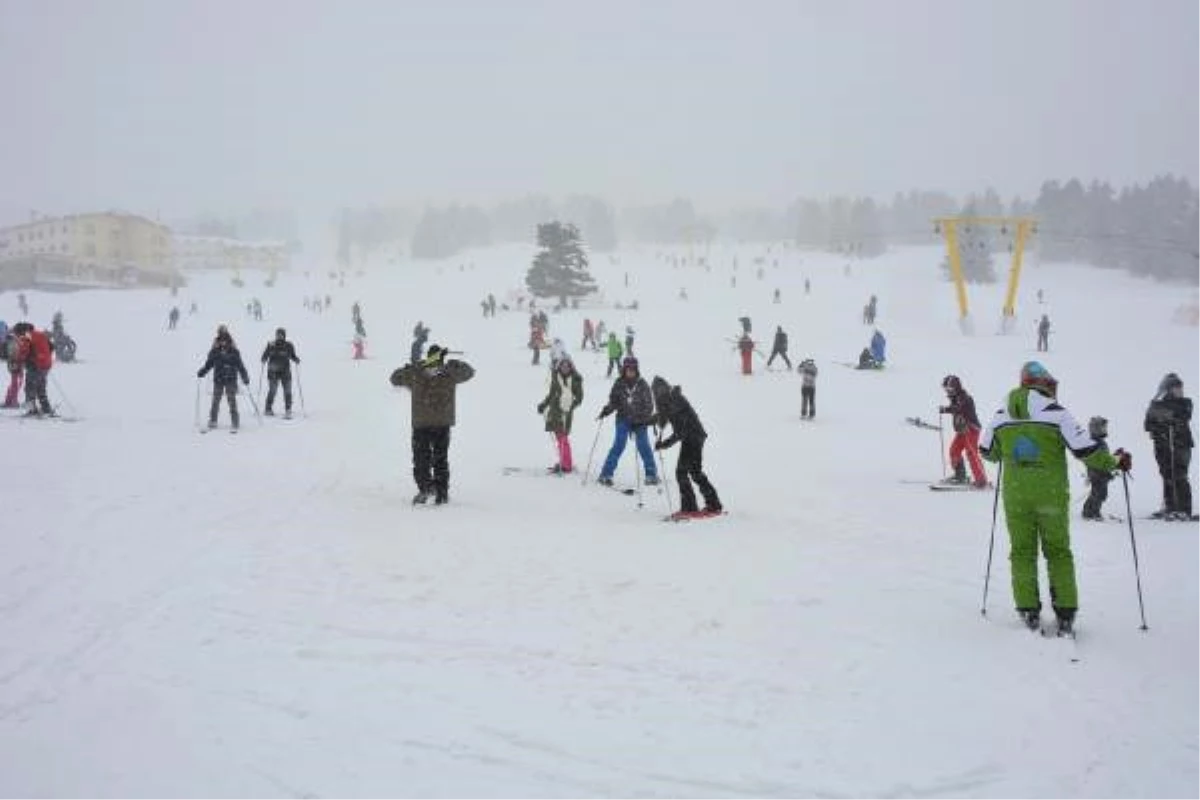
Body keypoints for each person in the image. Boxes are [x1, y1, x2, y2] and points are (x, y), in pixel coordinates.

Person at [979, 361, 1131, 634]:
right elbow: (1085, 450)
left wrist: (1012, 447)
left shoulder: (1002, 414)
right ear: (1044, 384)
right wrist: (1115, 460)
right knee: (1058, 552)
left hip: (1016, 497)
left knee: (1022, 551)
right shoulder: (1056, 413)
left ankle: (1027, 608)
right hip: (1050, 496)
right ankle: (1065, 611)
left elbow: (986, 451)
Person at [389, 345, 475, 505]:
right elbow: (470, 372)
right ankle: (442, 493)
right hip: (442, 424)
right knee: (440, 459)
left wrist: (412, 366)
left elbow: (394, 378)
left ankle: (425, 488)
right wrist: (454, 363)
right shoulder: (450, 373)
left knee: (421, 458)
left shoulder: (416, 372)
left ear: (428, 357)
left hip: (421, 424)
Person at [652, 376, 722, 518]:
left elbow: (680, 431)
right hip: (692, 437)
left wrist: (664, 444)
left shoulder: (675, 399)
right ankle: (713, 504)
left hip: (693, 437)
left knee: (682, 472)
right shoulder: (669, 402)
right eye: (657, 391)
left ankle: (691, 507)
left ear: (666, 387)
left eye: (662, 389)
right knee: (695, 472)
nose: (660, 393)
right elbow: (664, 420)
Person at [596, 357, 658, 486]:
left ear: (636, 370)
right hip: (623, 419)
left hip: (640, 422)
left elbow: (649, 405)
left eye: (633, 369)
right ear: (624, 370)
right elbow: (614, 401)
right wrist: (607, 410)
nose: (630, 372)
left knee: (644, 446)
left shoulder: (642, 384)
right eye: (628, 369)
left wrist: (642, 419)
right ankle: (606, 474)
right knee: (619, 444)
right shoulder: (619, 383)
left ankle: (651, 474)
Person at [1144, 372, 1193, 520]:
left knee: (1179, 474)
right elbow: (1148, 423)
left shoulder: (1185, 403)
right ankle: (1170, 506)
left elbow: (1182, 416)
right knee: (1166, 475)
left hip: (1180, 444)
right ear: (1167, 389)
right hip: (1162, 445)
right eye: (1176, 388)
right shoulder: (1156, 403)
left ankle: (1184, 509)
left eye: (1180, 388)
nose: (1180, 391)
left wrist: (1163, 418)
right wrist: (1162, 421)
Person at [939, 375, 988, 488]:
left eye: (950, 389)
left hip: (971, 429)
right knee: (954, 450)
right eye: (946, 390)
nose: (948, 392)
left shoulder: (965, 398)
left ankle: (981, 480)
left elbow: (958, 408)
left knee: (971, 453)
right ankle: (960, 475)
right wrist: (947, 409)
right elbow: (955, 408)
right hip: (962, 430)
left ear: (956, 387)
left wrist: (946, 409)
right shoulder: (955, 398)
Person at [197, 327, 251, 431]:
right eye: (221, 340)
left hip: (231, 379)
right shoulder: (215, 351)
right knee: (216, 400)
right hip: (219, 379)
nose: (223, 342)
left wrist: (245, 377)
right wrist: (202, 372)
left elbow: (240, 365)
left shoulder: (234, 351)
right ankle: (213, 420)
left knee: (231, 400)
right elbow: (209, 364)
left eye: (224, 340)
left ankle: (235, 421)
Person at [538, 356, 584, 474]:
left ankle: (566, 465)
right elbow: (552, 394)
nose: (565, 368)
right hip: (555, 411)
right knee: (559, 437)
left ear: (570, 367)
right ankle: (564, 461)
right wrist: (544, 404)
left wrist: (570, 406)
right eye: (562, 366)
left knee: (563, 437)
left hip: (566, 412)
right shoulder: (556, 377)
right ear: (559, 367)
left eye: (567, 366)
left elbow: (579, 398)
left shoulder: (576, 379)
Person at [260, 328, 301, 417]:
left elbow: (292, 356)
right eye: (278, 335)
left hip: (285, 371)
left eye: (281, 335)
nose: (279, 336)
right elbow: (265, 355)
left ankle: (288, 409)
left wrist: (296, 359)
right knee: (273, 390)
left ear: (284, 335)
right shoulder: (271, 344)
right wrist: (263, 359)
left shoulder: (289, 345)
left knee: (287, 390)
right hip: (273, 371)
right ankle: (268, 408)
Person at [1082, 417, 1115, 521]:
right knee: (1099, 493)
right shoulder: (1094, 442)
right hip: (1097, 472)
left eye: (1105, 428)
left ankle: (1088, 510)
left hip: (1100, 471)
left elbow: (1104, 458)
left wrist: (1114, 459)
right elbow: (1099, 460)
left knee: (1097, 492)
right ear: (1095, 429)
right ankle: (1093, 512)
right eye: (1102, 428)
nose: (1104, 430)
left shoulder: (1099, 442)